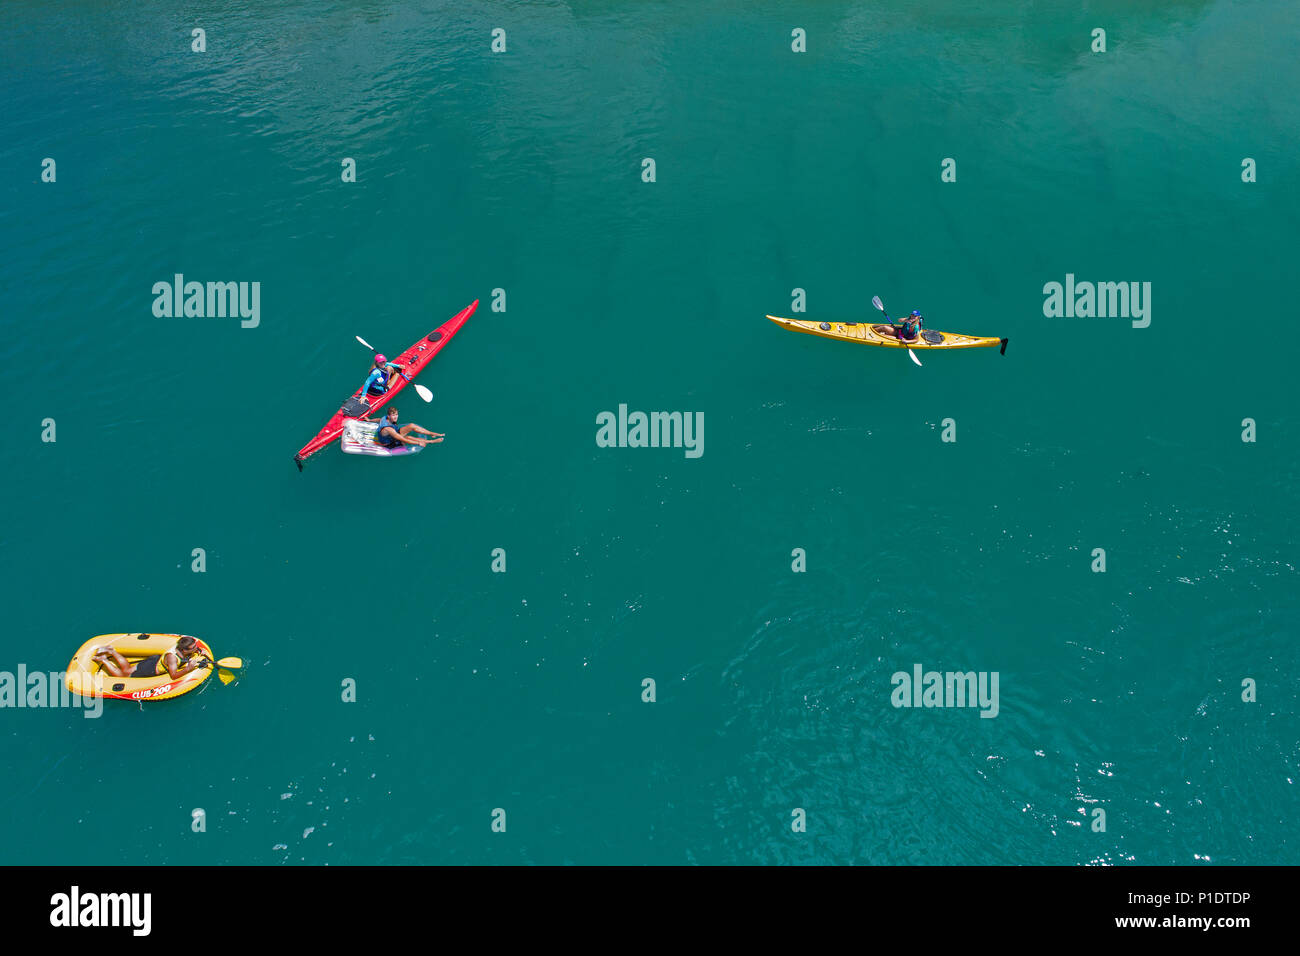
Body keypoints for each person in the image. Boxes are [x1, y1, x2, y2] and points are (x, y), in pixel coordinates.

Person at [91, 635, 207, 680]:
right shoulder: (172, 658)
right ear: (184, 650)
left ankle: (112, 651)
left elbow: (193, 649)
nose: (195, 648)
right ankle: (104, 660)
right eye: (193, 648)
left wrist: (199, 651)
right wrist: (188, 669)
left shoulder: (182, 647)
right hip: (151, 668)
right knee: (123, 675)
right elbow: (173, 675)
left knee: (127, 669)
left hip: (156, 659)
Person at [374, 406, 443, 449]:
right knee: (407, 438)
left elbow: (379, 419)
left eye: (396, 414)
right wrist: (418, 443)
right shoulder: (388, 429)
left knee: (411, 425)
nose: (396, 417)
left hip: (392, 435)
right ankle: (431, 441)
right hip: (389, 443)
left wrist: (370, 420)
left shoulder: (385, 418)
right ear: (389, 416)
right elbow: (403, 439)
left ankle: (431, 433)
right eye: (393, 415)